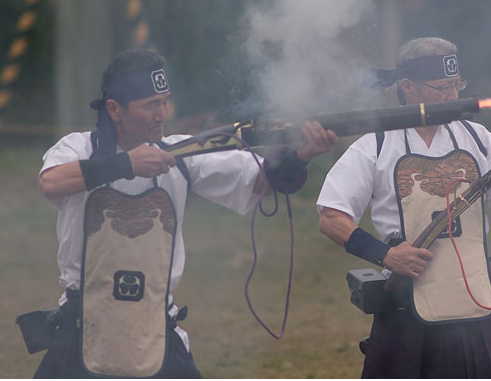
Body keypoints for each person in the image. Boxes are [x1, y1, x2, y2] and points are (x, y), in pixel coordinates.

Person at [30, 49, 338, 378]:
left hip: (155, 322)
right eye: (151, 105)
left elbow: (262, 178)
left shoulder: (180, 151)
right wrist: (127, 164)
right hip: (83, 324)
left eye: (165, 101)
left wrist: (303, 153)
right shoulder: (78, 148)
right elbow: (52, 182)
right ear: (115, 110)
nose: (162, 113)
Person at [316, 37, 491, 378]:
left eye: (456, 85)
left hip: (475, 300)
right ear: (408, 87)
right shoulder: (375, 144)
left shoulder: (479, 138)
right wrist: (385, 256)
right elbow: (331, 217)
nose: (452, 96)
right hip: (405, 305)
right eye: (442, 87)